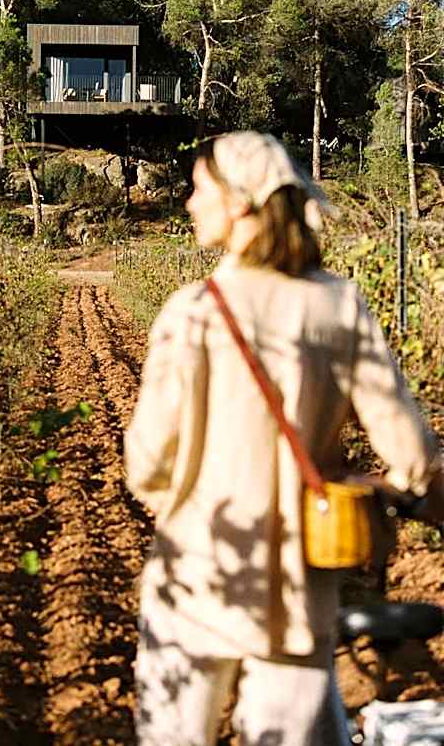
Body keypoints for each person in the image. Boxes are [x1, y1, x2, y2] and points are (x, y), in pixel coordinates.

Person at [125, 131, 441, 746]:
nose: (189, 203)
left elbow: (146, 459)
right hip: (296, 588)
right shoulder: (337, 306)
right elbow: (413, 455)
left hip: (196, 574)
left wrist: (177, 495)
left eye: (198, 190)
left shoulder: (192, 312)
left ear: (239, 202)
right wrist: (379, 487)